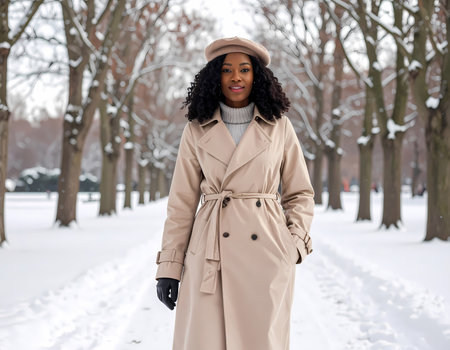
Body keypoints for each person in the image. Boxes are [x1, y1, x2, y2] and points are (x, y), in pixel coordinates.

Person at [155, 36, 314, 350]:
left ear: (256, 76)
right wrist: (169, 268)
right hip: (210, 255)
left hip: (267, 252)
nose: (236, 77)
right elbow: (181, 204)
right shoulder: (197, 128)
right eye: (227, 70)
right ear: (216, 76)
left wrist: (293, 244)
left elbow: (300, 193)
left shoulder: (279, 126)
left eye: (244, 69)